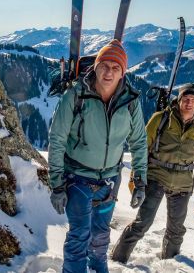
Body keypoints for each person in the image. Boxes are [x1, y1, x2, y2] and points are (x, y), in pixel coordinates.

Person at [48, 39, 148, 273]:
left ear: (123, 72)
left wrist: (140, 181)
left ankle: (99, 269)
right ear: (96, 66)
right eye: (104, 65)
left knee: (101, 235)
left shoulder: (130, 102)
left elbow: (139, 142)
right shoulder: (75, 96)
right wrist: (56, 184)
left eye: (116, 68)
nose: (109, 72)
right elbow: (57, 139)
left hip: (110, 180)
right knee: (80, 234)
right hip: (77, 177)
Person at [111, 83, 194, 262]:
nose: (189, 103)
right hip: (156, 177)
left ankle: (170, 264)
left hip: (183, 184)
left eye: (193, 100)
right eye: (185, 99)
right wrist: (136, 176)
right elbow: (142, 148)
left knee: (176, 231)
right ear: (179, 100)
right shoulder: (160, 119)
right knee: (142, 224)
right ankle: (117, 259)